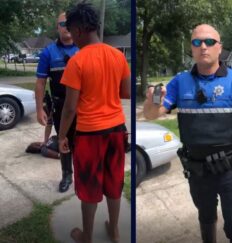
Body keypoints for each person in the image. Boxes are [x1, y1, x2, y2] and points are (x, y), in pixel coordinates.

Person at [144, 24, 232, 243]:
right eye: (196, 42)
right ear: (191, 48)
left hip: (231, 171)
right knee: (206, 217)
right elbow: (153, 114)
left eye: (209, 42)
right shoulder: (179, 82)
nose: (203, 46)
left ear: (220, 48)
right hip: (197, 170)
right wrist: (152, 100)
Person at [58, 3, 131, 243]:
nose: (70, 36)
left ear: (78, 29)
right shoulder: (118, 56)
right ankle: (116, 232)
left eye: (70, 30)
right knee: (114, 182)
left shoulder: (76, 62)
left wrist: (61, 137)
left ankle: (87, 237)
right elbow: (126, 92)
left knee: (89, 188)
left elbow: (70, 108)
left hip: (90, 134)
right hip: (117, 131)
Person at [35, 12, 79, 193]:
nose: (66, 26)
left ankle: (85, 176)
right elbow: (40, 82)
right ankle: (67, 175)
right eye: (62, 23)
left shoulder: (83, 48)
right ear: (57, 27)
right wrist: (39, 109)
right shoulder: (48, 52)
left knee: (84, 143)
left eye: (69, 23)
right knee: (64, 142)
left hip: (84, 106)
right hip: (60, 106)